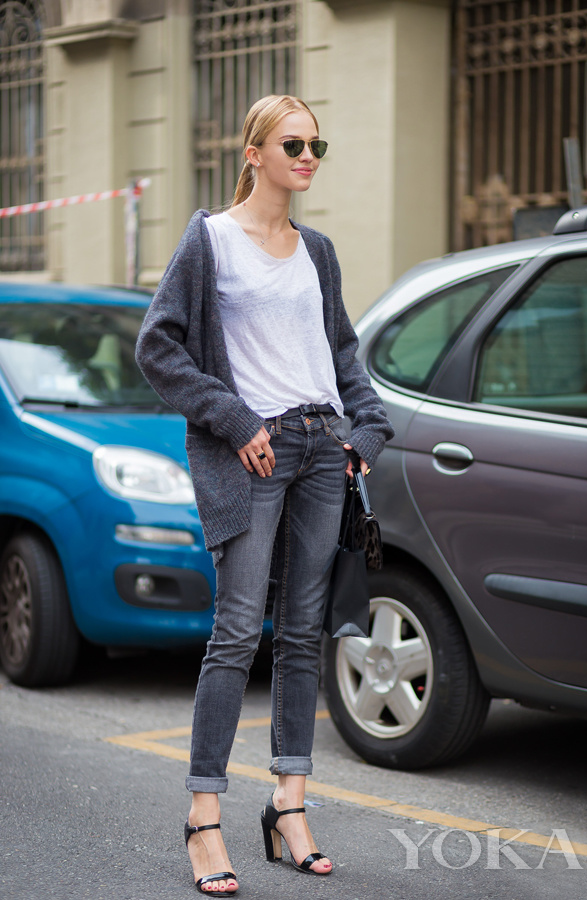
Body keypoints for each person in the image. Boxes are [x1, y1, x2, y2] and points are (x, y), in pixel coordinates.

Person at [135, 94, 394, 896]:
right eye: (293, 143)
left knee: (303, 632)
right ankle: (203, 816)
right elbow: (158, 347)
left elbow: (342, 353)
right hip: (254, 450)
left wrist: (366, 432)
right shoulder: (210, 240)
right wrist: (233, 417)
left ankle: (289, 805)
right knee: (238, 629)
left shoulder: (318, 251)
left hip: (322, 448)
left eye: (317, 143)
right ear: (254, 153)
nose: (308, 155)